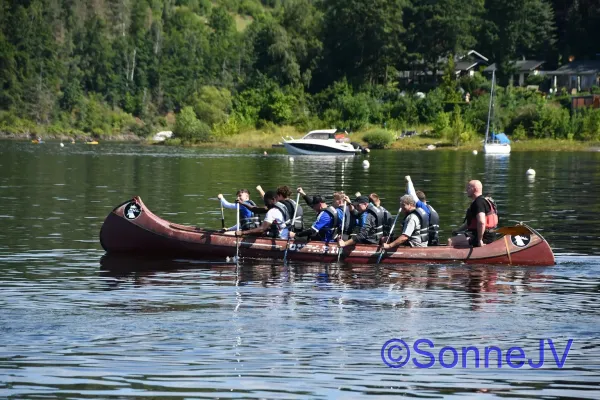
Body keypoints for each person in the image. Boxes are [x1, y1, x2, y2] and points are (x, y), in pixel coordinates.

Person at [449, 180, 498, 247]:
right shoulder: (482, 201)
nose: (466, 190)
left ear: (474, 189)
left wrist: (480, 240)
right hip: (489, 235)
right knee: (458, 238)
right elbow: (469, 223)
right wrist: (457, 230)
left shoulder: (479, 202)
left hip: (482, 237)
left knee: (450, 241)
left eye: (468, 188)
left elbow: (481, 222)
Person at [405, 176, 440, 245]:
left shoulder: (424, 209)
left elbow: (413, 195)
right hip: (434, 240)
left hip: (427, 242)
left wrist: (409, 181)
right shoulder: (430, 208)